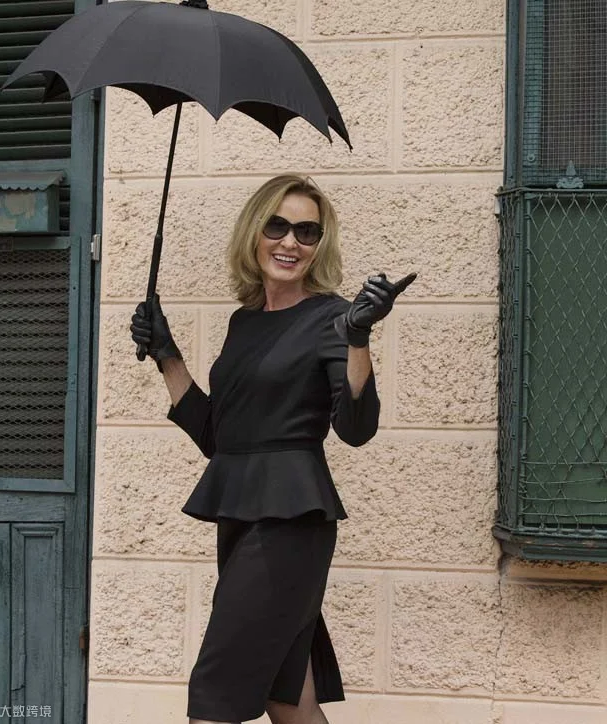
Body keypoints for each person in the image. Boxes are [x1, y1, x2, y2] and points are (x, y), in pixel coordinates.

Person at [130, 174, 416, 724]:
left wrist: (358, 338)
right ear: (254, 232)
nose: (290, 242)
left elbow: (356, 428)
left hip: (290, 524)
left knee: (215, 695)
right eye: (277, 226)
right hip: (241, 518)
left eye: (307, 232)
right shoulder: (244, 322)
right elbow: (220, 439)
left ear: (319, 245)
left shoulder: (332, 319)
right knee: (289, 700)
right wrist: (167, 353)